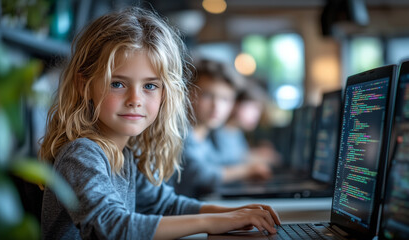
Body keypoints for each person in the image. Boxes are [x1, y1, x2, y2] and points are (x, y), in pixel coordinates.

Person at [39, 7, 280, 240]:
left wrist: (233, 213)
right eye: (118, 84)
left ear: (165, 93)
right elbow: (111, 228)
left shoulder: (126, 154)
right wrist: (213, 222)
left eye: (150, 86)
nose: (135, 100)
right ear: (85, 86)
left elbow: (166, 204)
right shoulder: (82, 154)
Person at [168, 59, 272, 199]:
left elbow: (220, 163)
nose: (216, 106)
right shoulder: (178, 133)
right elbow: (201, 174)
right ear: (187, 93)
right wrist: (246, 170)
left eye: (225, 99)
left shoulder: (204, 138)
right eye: (207, 95)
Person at [213, 79, 281, 168]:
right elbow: (226, 163)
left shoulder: (235, 132)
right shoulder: (218, 131)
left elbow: (236, 155)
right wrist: (258, 157)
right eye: (253, 108)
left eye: (259, 110)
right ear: (235, 104)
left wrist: (256, 153)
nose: (257, 115)